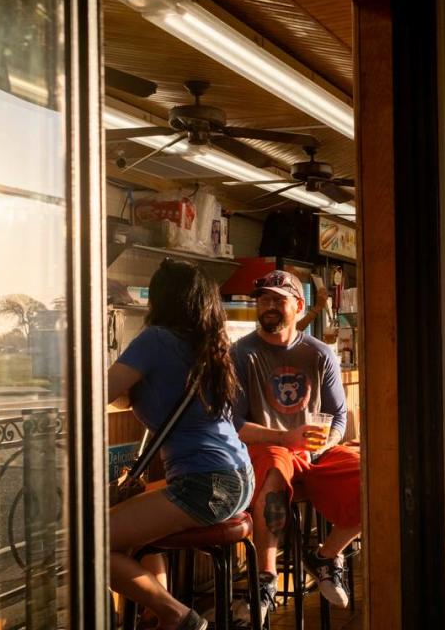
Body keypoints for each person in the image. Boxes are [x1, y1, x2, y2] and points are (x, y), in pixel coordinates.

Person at [108, 259, 253, 630]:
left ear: (160, 300)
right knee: (135, 530)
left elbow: (99, 392)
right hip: (237, 476)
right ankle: (158, 614)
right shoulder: (209, 347)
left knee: (89, 543)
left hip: (205, 483)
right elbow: (140, 394)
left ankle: (178, 617)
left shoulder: (156, 340)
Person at [231, 270, 360, 621]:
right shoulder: (242, 354)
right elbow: (235, 423)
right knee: (273, 468)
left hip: (316, 452)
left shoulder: (319, 353)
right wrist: (284, 438)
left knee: (379, 474)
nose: (269, 306)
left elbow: (337, 416)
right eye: (263, 300)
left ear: (298, 306)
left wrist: (324, 442)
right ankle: (266, 581)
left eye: (278, 300)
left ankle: (325, 555)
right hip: (269, 451)